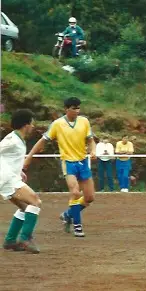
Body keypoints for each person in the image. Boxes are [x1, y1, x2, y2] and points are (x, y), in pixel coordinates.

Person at [24, 97, 96, 238]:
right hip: (68, 162)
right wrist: (29, 157)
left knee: (89, 198)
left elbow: (91, 140)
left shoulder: (84, 121)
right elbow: (42, 141)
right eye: (74, 108)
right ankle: (77, 226)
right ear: (66, 109)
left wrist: (93, 150)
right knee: (75, 192)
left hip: (82, 161)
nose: (77, 111)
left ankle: (67, 215)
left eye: (78, 108)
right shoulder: (57, 124)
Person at [1, 109, 41, 253]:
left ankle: (10, 240)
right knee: (35, 201)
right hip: (6, 179)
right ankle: (25, 238)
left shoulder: (17, 138)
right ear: (26, 124)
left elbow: (10, 158)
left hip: (10, 177)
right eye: (32, 123)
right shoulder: (12, 140)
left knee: (25, 207)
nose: (33, 126)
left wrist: (20, 172)